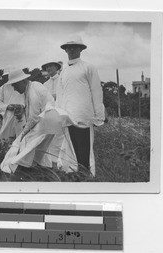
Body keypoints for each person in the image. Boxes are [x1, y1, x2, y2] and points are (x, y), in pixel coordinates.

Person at [57, 35, 105, 177]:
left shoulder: (88, 67)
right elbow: (60, 96)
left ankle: (87, 178)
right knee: (72, 150)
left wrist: (99, 116)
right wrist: (60, 116)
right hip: (68, 117)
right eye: (68, 47)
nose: (71, 50)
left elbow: (96, 92)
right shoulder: (63, 72)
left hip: (83, 117)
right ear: (65, 50)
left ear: (80, 49)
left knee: (84, 151)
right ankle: (76, 177)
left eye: (74, 47)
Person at [0, 69, 55, 174]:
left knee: (27, 144)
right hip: (46, 122)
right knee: (36, 149)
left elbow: (34, 118)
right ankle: (36, 171)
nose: (15, 89)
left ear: (23, 81)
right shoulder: (30, 88)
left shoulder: (33, 92)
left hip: (48, 122)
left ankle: (23, 170)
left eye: (15, 85)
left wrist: (23, 133)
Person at [41, 61, 63, 169]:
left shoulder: (62, 80)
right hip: (50, 115)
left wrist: (55, 96)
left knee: (61, 140)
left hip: (62, 113)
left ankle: (62, 166)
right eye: (47, 66)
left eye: (51, 66)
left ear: (56, 67)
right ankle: (51, 167)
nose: (49, 68)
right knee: (50, 141)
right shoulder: (45, 85)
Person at [0, 72, 26, 141]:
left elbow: (27, 99)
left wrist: (22, 106)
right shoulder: (3, 88)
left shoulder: (22, 86)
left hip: (22, 115)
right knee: (5, 138)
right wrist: (7, 107)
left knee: (21, 138)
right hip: (8, 116)